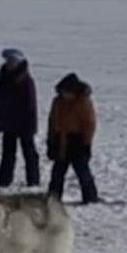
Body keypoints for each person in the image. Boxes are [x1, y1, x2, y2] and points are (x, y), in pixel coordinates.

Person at [46, 72, 99, 204]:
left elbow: (89, 124)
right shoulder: (58, 101)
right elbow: (52, 122)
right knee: (57, 172)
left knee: (82, 172)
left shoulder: (83, 102)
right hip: (61, 139)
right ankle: (53, 197)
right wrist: (51, 142)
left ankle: (90, 197)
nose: (64, 95)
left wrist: (86, 143)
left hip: (77, 140)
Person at [0, 47, 40, 188]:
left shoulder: (26, 81)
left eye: (12, 62)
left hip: (25, 124)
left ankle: (33, 180)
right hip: (8, 124)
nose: (9, 64)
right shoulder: (4, 78)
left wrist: (31, 126)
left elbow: (31, 106)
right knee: (7, 154)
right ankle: (4, 181)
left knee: (29, 153)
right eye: (7, 61)